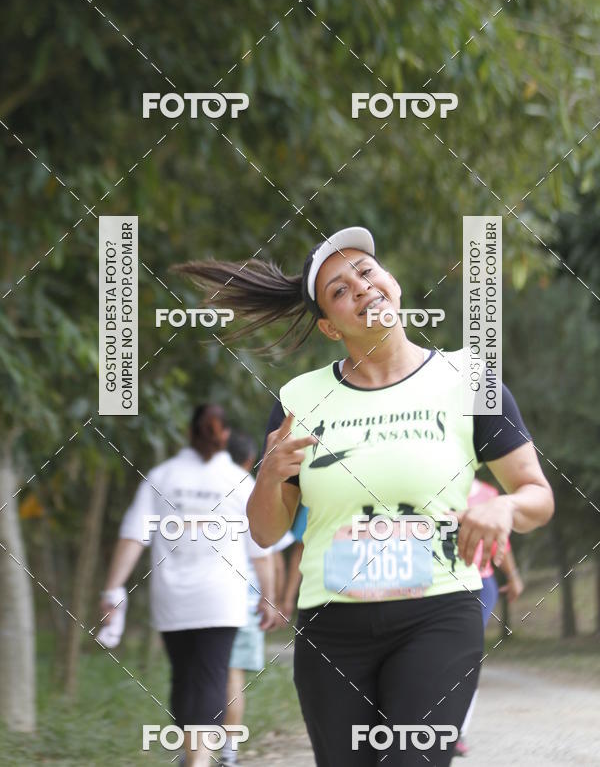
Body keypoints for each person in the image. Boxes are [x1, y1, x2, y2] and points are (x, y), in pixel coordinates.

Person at [175, 227, 555, 766]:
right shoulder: (299, 399)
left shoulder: (470, 377)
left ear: (392, 284)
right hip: (332, 626)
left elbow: (537, 495)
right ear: (331, 326)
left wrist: (504, 506)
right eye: (339, 288)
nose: (360, 285)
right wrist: (267, 478)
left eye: (366, 270)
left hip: (439, 612)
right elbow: (265, 532)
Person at [98, 404, 275, 767]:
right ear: (224, 435)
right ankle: (200, 759)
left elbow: (133, 536)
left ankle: (193, 758)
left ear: (188, 432)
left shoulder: (163, 476)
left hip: (173, 597)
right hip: (223, 598)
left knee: (183, 677)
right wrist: (269, 596)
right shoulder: (240, 482)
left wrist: (112, 590)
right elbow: (260, 548)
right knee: (213, 675)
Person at [222, 429, 286, 766]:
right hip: (240, 597)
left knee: (196, 673)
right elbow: (266, 553)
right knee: (232, 673)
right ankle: (227, 754)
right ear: (249, 460)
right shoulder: (248, 488)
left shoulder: (188, 480)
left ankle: (194, 752)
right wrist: (271, 598)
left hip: (192, 598)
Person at [454, 477, 524, 757]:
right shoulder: (431, 485)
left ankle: (457, 731)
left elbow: (501, 541)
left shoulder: (489, 494)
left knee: (466, 655)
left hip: (481, 584)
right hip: (439, 583)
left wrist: (513, 575)